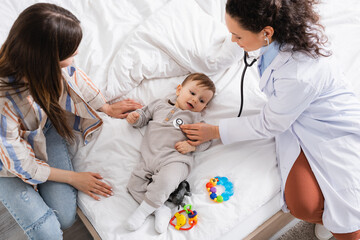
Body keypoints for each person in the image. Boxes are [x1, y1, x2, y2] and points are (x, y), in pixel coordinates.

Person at [180, 0, 360, 240]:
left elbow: (270, 123)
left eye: (237, 36)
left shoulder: (299, 73)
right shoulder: (280, 27)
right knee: (303, 204)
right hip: (295, 115)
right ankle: (329, 218)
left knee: (344, 215)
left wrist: (214, 131)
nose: (233, 41)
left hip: (329, 127)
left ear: (266, 32)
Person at [0, 3, 142, 240]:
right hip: (6, 164)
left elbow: (75, 78)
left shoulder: (42, 66)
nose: (76, 53)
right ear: (47, 58)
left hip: (40, 130)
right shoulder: (4, 104)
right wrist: (74, 178)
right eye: (71, 50)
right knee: (49, 234)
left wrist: (105, 106)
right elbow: (21, 164)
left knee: (66, 217)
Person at [125, 73, 215, 233]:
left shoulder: (195, 118)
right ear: (179, 90)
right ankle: (161, 208)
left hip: (175, 160)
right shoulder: (159, 105)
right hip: (149, 158)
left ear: (204, 107)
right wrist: (135, 118)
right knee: (134, 186)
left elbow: (207, 140)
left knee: (167, 180)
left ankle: (142, 212)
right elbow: (143, 116)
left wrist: (191, 146)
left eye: (202, 100)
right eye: (192, 93)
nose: (195, 100)